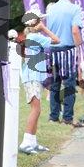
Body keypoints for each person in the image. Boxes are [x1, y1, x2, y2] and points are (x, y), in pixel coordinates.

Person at [19, 10, 60, 154]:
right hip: (32, 78)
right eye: (40, 20)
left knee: (37, 109)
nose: (43, 22)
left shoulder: (33, 36)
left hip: (33, 77)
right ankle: (25, 143)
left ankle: (32, 142)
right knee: (35, 109)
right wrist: (44, 29)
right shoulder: (35, 36)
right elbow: (56, 40)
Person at [46, 0, 84, 127]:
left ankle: (53, 117)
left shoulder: (50, 9)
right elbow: (75, 30)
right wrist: (80, 46)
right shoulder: (74, 9)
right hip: (67, 50)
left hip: (52, 50)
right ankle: (67, 118)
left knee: (55, 84)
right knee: (69, 85)